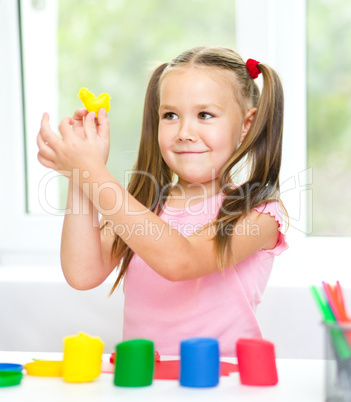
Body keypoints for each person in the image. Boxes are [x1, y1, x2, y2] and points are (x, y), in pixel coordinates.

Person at [37, 46, 288, 357]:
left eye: (205, 115)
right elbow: (82, 273)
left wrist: (92, 172)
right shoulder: (143, 207)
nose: (184, 132)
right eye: (170, 115)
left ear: (247, 124)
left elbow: (180, 261)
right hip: (144, 379)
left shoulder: (258, 213)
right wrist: (80, 176)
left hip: (220, 383)